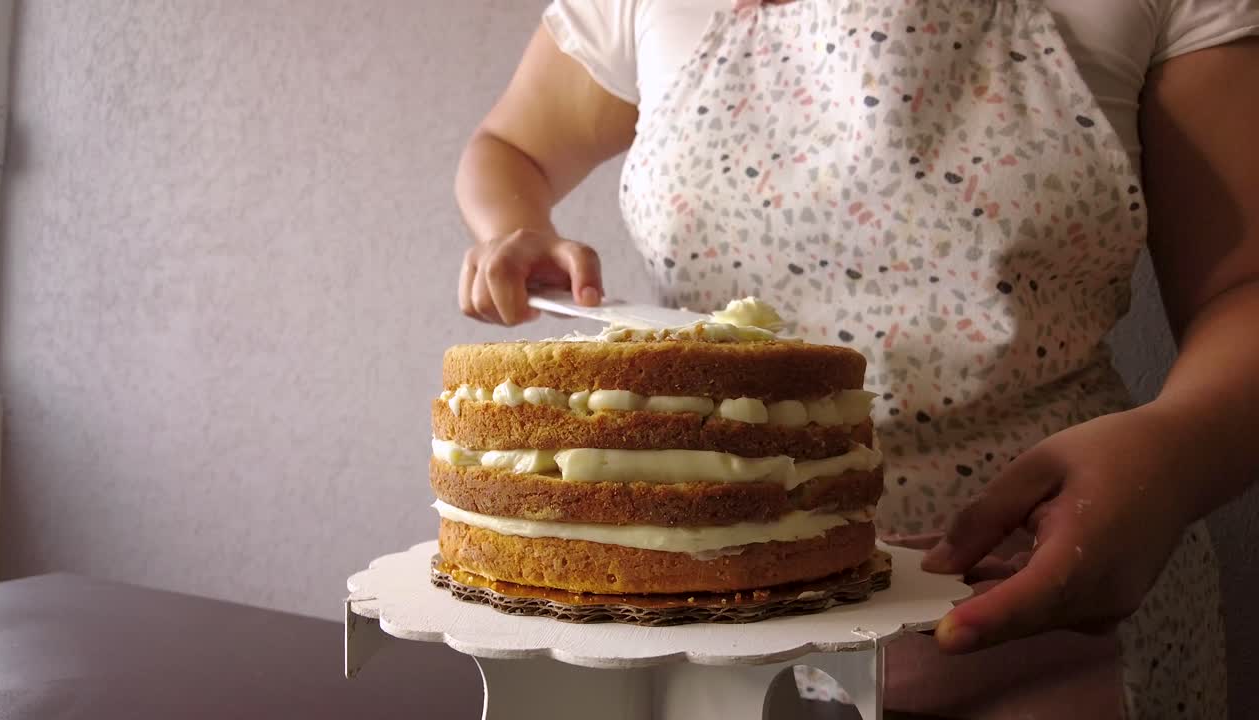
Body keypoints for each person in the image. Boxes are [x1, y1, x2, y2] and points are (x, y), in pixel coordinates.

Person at [453, 0, 1259, 716]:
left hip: (1049, 603)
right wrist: (510, 230)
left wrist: (1176, 453)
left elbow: (1243, 287)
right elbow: (509, 145)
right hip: (718, 621)